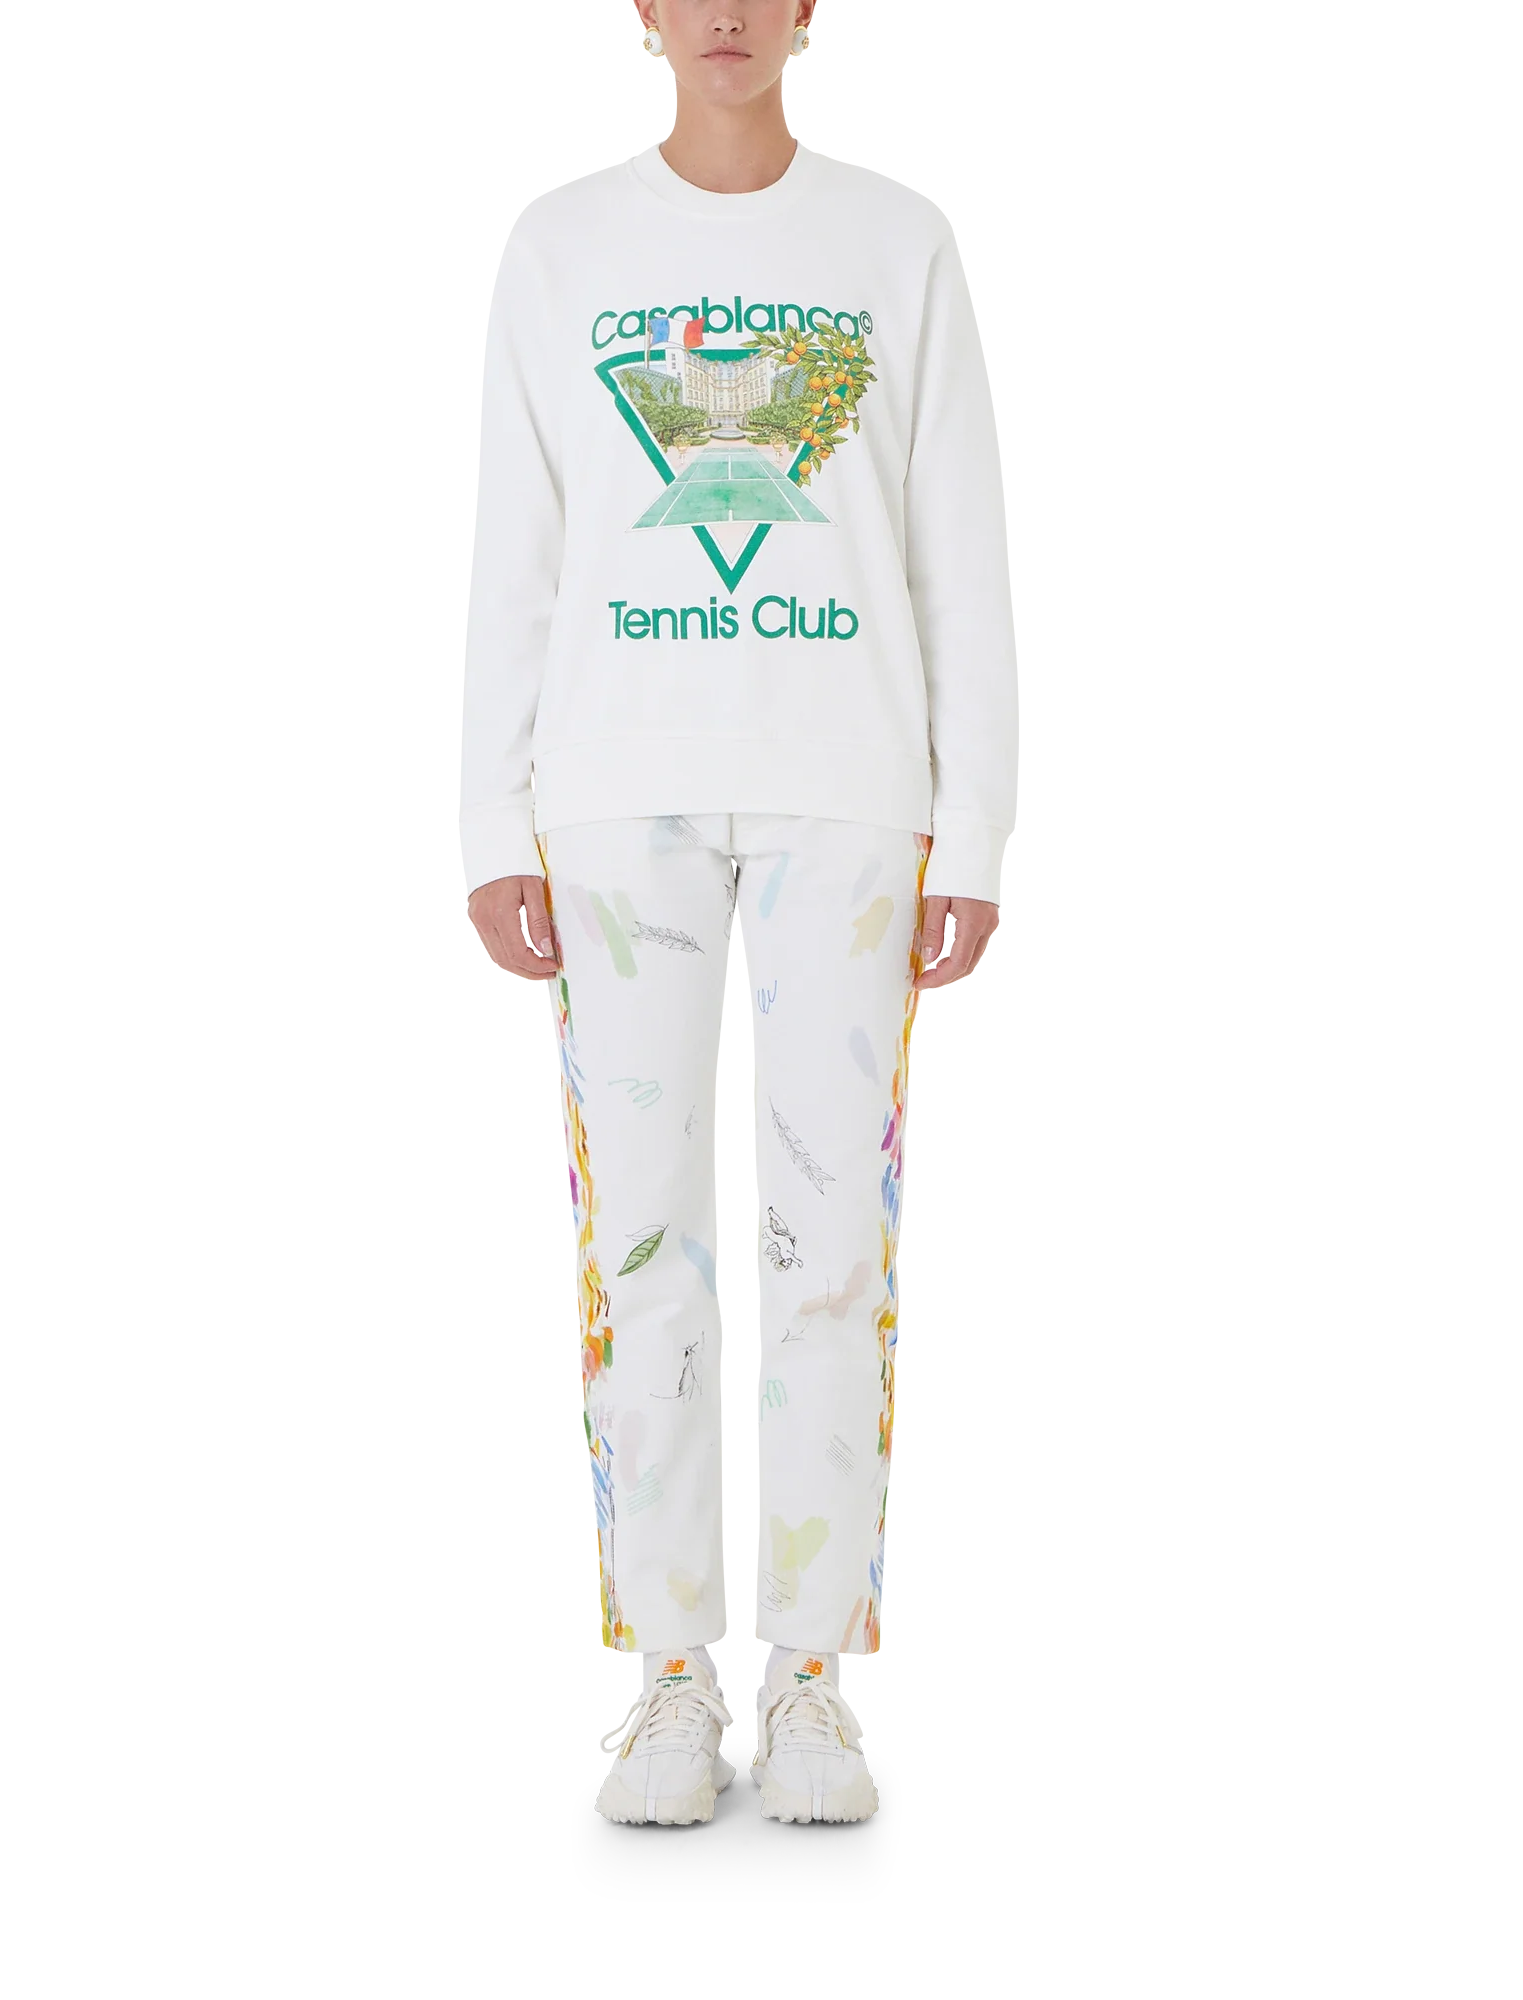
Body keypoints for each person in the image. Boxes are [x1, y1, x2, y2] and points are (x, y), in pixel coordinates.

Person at [461, 0, 1015, 1825]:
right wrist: (491, 817)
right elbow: (515, 545)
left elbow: (958, 545)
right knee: (641, 1246)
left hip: (846, 786)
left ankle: (816, 1678)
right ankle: (676, 1675)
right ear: (639, 9)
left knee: (826, 1243)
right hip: (611, 793)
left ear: (805, 10)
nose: (722, 13)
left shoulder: (897, 245)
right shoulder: (559, 245)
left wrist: (975, 829)